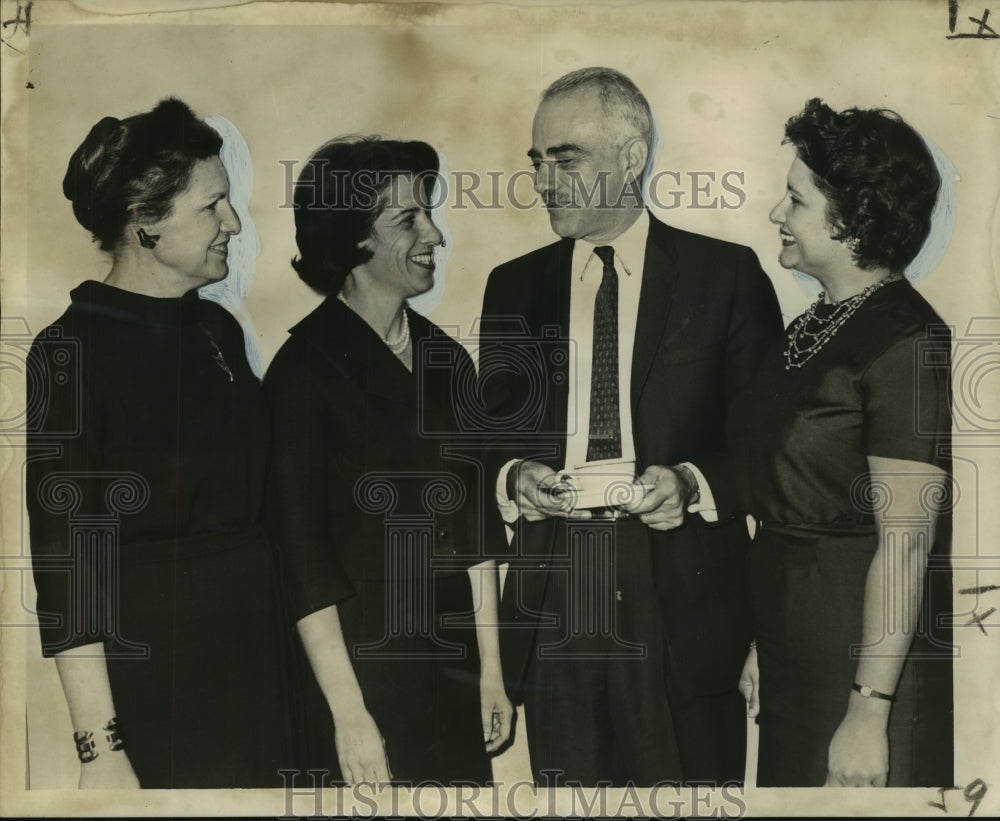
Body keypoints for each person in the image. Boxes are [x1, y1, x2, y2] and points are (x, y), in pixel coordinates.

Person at [476, 67, 783, 786]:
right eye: (537, 161)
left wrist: (692, 482)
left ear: (631, 156)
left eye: (566, 158)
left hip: (682, 595)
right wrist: (515, 476)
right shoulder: (512, 287)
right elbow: (490, 440)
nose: (544, 180)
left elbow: (769, 447)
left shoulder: (726, 277)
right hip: (555, 591)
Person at [25, 98, 298, 788]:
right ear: (146, 222)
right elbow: (70, 566)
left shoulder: (218, 333)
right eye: (213, 207)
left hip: (265, 665)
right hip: (164, 687)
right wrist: (102, 752)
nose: (233, 224)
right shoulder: (70, 350)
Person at [264, 136, 513, 786]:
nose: (435, 234)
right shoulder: (301, 373)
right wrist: (349, 714)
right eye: (409, 219)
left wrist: (491, 671)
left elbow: (476, 533)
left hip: (453, 669)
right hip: (357, 678)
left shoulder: (448, 362)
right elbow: (302, 561)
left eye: (428, 212)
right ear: (354, 242)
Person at [736, 98, 954, 788]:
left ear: (854, 220)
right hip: (791, 648)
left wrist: (868, 710)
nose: (777, 213)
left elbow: (907, 542)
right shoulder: (811, 329)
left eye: (796, 200)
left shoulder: (907, 342)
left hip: (860, 665)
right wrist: (761, 644)